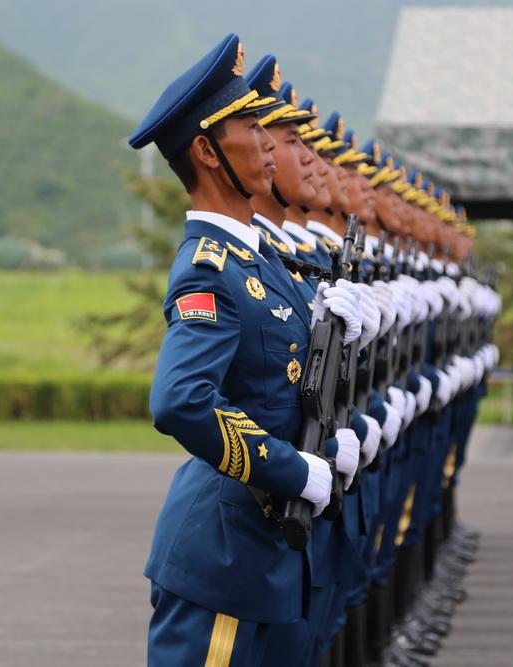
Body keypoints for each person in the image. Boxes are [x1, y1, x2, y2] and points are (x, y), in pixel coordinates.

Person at [128, 34, 364, 665]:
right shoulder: (208, 268)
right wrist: (294, 469)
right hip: (222, 557)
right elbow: (181, 400)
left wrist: (331, 440)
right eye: (250, 125)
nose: (266, 142)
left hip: (269, 555)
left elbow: (282, 387)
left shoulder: (259, 261)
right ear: (206, 150)